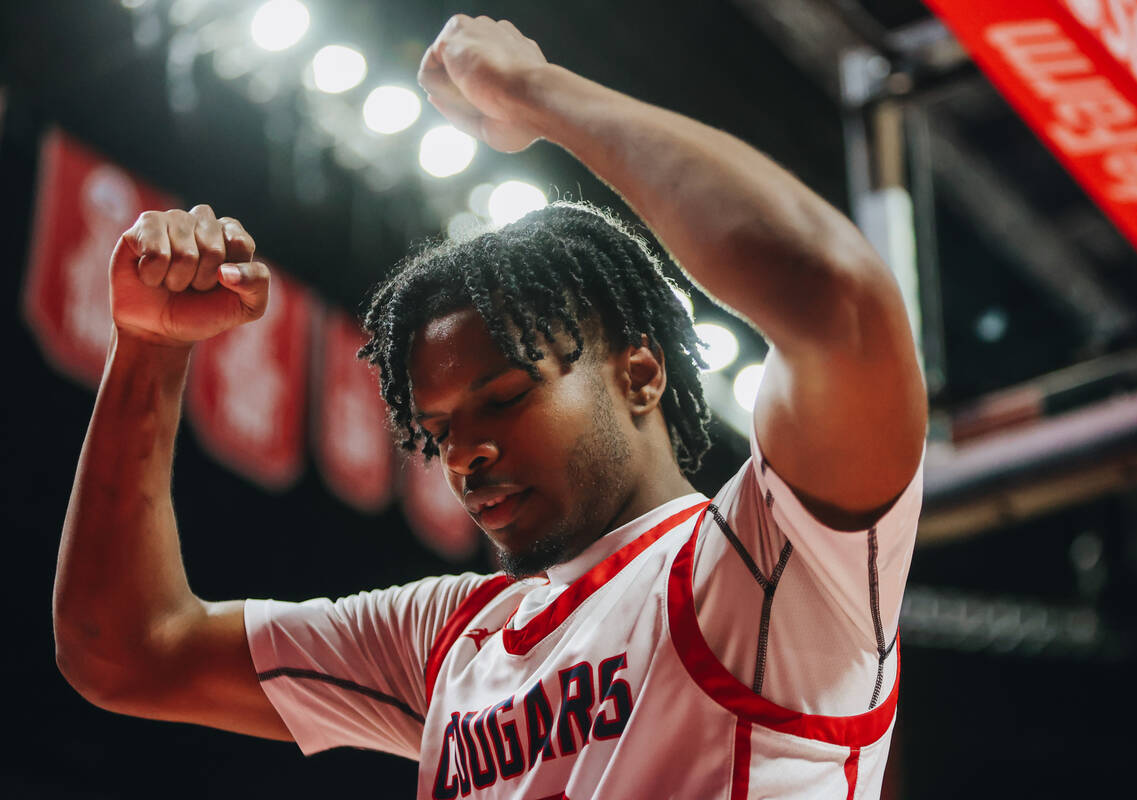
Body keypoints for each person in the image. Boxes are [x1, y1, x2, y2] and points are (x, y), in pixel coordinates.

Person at [53, 14, 927, 799]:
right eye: (436, 433)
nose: (464, 455)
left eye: (503, 398)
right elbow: (125, 649)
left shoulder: (761, 574)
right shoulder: (452, 639)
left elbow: (835, 300)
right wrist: (150, 350)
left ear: (640, 376)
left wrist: (538, 93)